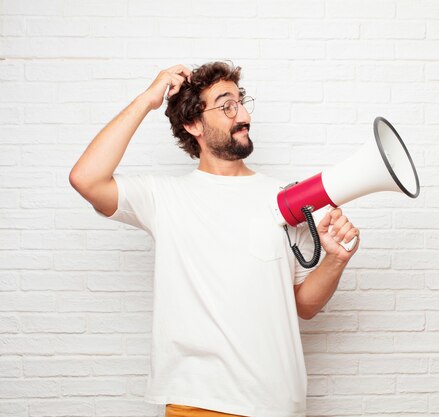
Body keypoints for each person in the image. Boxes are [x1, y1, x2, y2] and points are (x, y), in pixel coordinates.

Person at [69, 62, 360, 417]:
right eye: (226, 105)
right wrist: (148, 99)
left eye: (242, 102)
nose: (243, 114)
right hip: (199, 403)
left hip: (279, 404)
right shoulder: (164, 197)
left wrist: (335, 259)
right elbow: (86, 178)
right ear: (193, 125)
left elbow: (306, 306)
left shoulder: (286, 200)